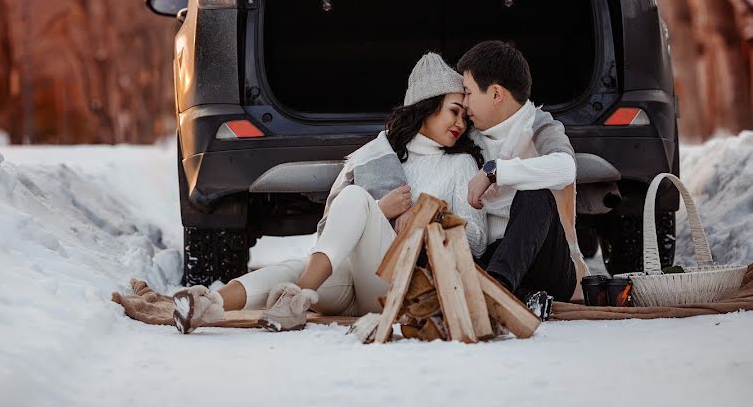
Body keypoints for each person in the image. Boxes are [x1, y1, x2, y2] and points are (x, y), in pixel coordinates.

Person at [171, 52, 486, 333]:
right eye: (453, 112)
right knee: (293, 269)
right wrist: (382, 210)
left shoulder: (461, 164)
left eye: (463, 115)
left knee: (356, 200)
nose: (460, 123)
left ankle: (296, 299)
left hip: (407, 284)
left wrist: (425, 218)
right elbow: (330, 228)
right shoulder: (376, 156)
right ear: (426, 107)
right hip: (355, 282)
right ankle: (208, 304)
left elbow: (477, 242)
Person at [456, 40, 587, 320]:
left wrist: (494, 172)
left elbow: (565, 168)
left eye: (468, 93)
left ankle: (496, 293)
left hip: (545, 262)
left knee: (535, 194)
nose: (463, 103)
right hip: (488, 257)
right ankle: (521, 297)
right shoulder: (467, 136)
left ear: (495, 94)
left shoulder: (539, 125)